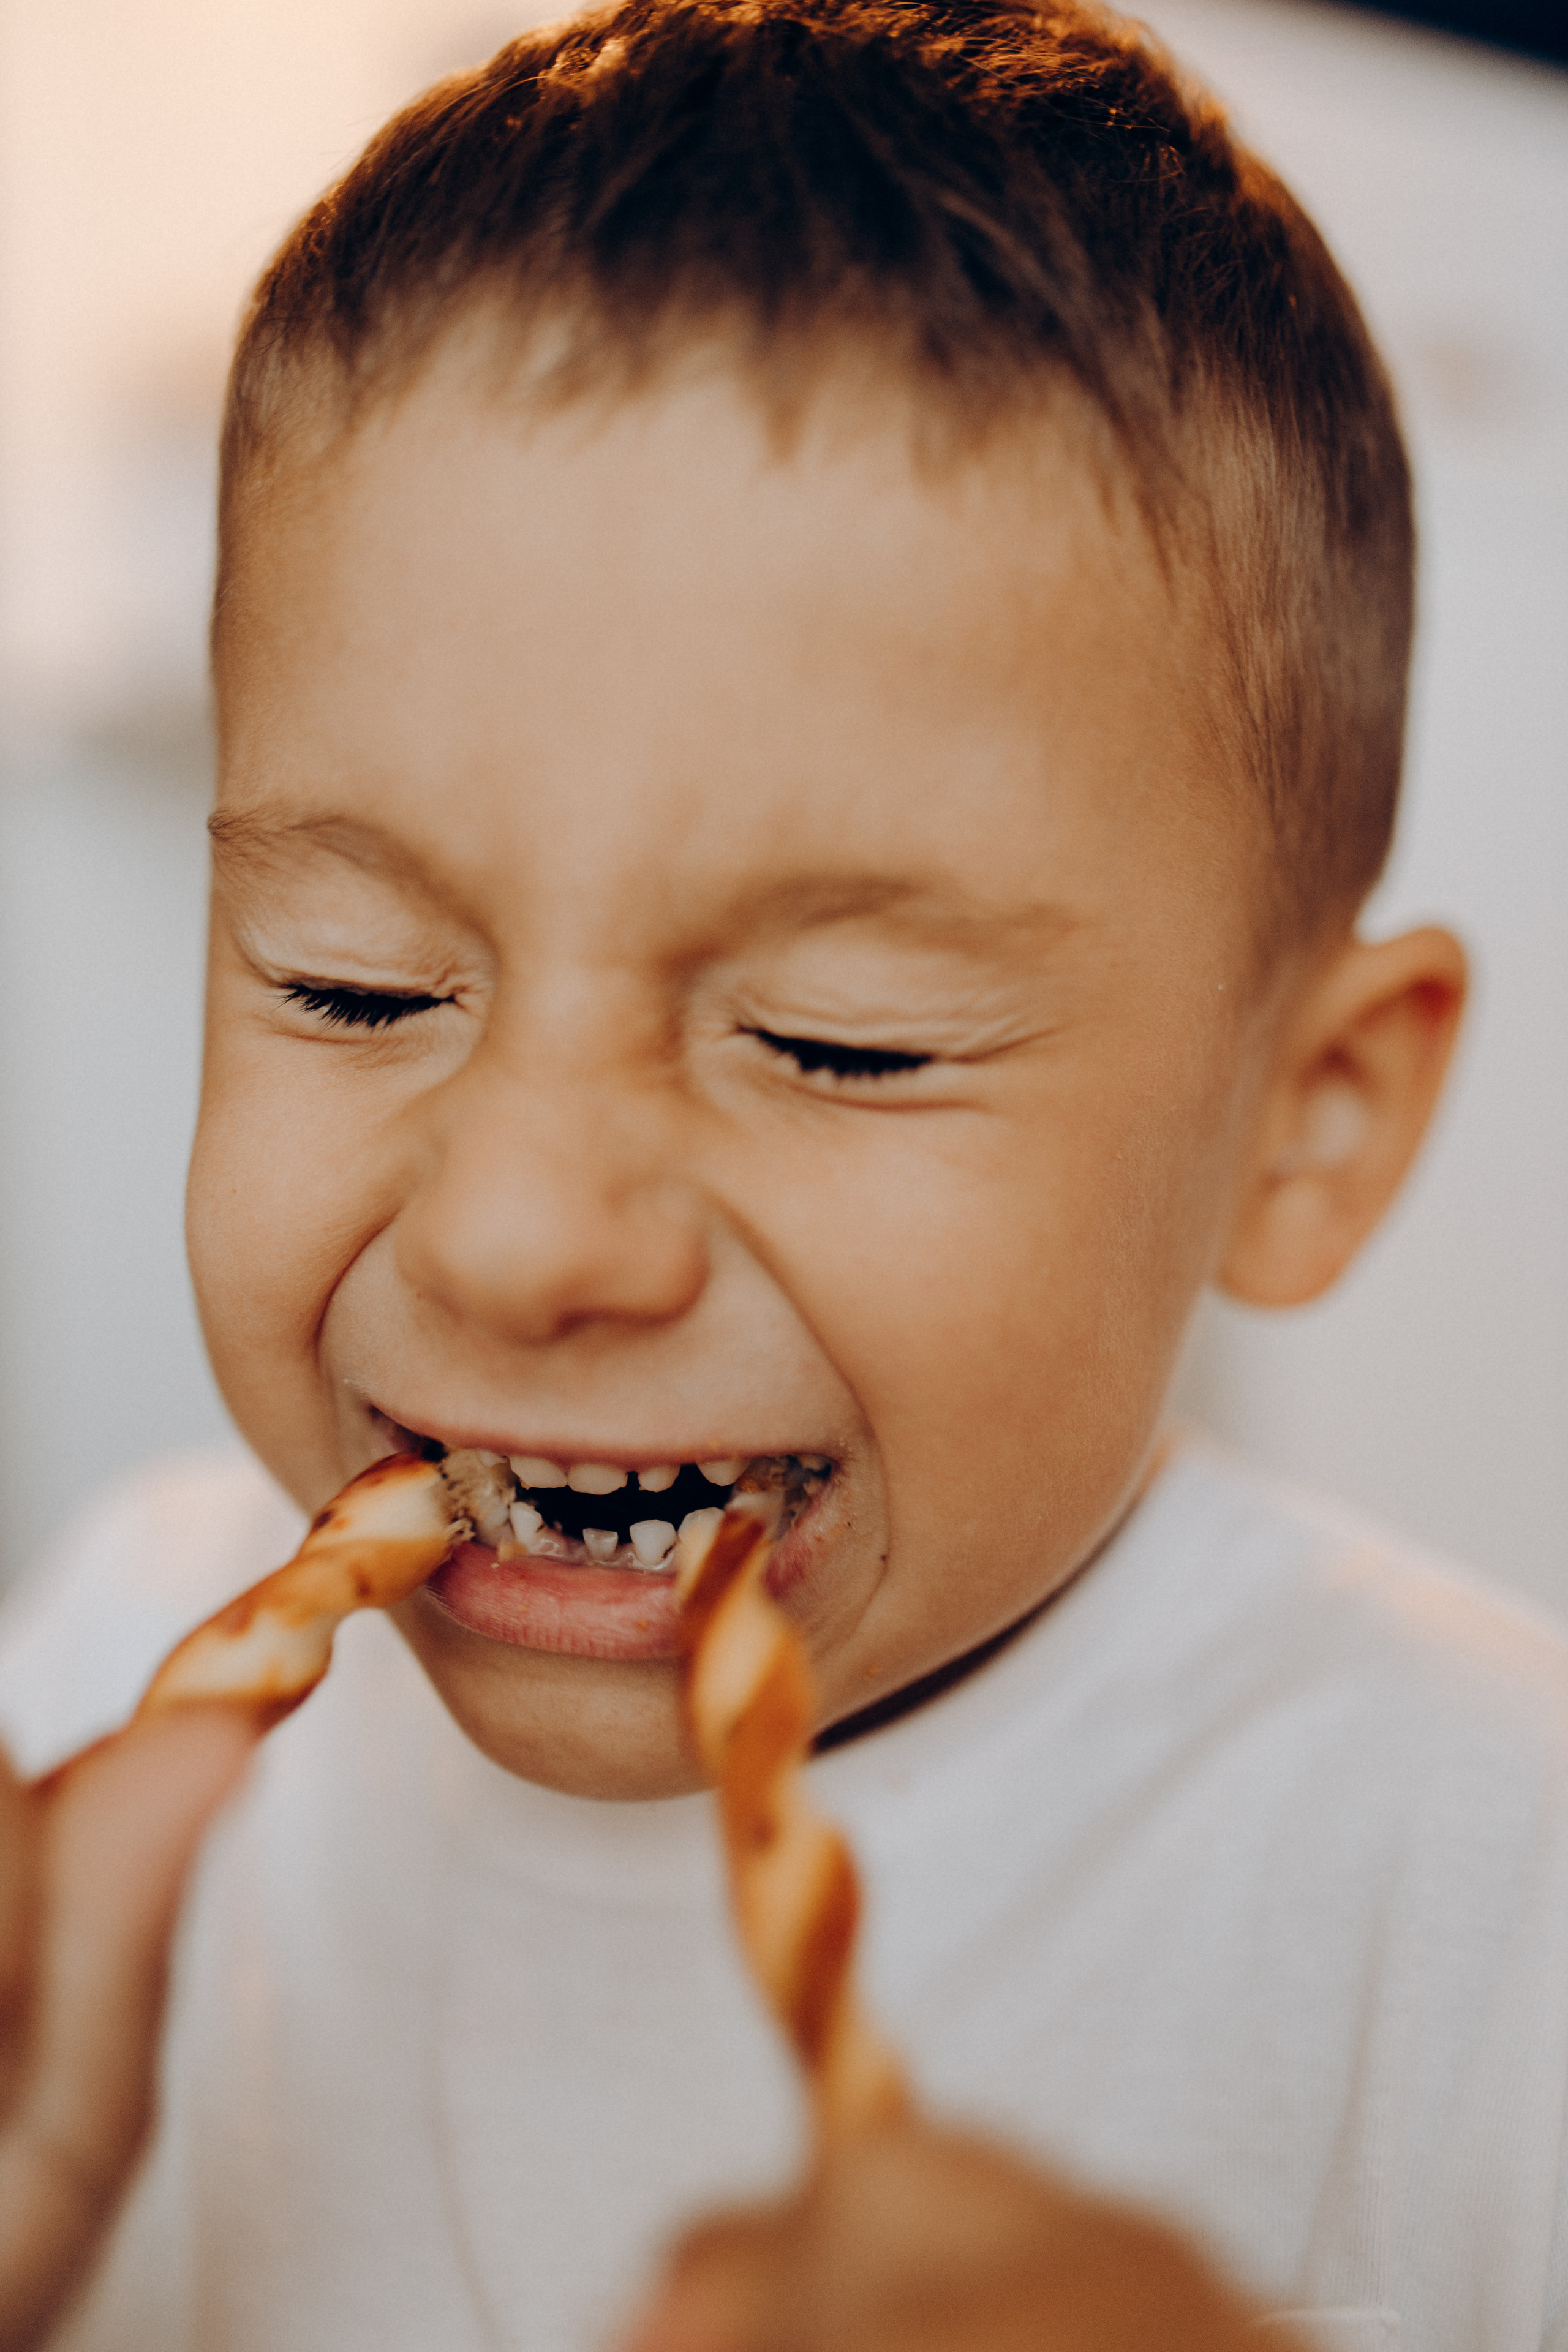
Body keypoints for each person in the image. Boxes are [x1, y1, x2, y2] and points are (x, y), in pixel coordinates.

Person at [4, 1, 1567, 2344]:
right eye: (351, 986)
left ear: (1303, 1123)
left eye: (844, 1043)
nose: (517, 1232)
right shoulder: (118, 1688)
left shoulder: (1486, 1904)